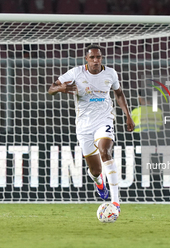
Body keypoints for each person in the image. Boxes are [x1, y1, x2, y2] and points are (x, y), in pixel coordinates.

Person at [48, 45, 135, 213]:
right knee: (95, 170)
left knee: (105, 152)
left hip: (104, 120)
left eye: (99, 57)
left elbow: (118, 93)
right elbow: (51, 89)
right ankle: (98, 181)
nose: (96, 61)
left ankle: (115, 202)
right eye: (92, 58)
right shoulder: (75, 73)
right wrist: (60, 88)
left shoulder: (110, 73)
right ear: (86, 59)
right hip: (84, 125)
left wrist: (128, 115)